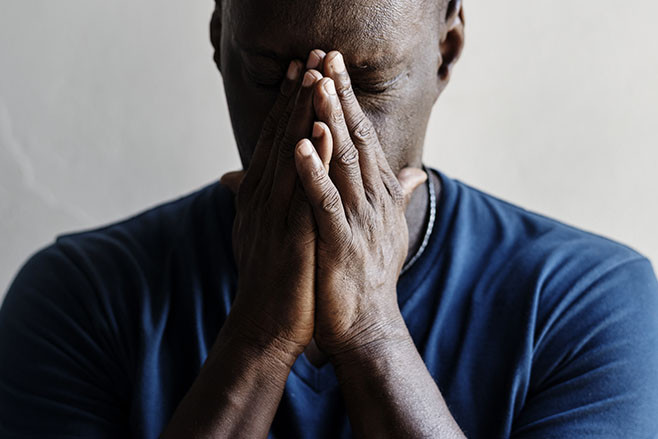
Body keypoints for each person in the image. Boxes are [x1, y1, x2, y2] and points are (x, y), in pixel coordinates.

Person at [1, 0, 657, 437]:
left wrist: (371, 330)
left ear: (446, 50)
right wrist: (259, 337)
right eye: (269, 79)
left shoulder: (593, 301)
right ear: (217, 38)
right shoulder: (76, 296)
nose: (318, 135)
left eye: (368, 83)